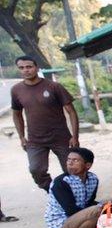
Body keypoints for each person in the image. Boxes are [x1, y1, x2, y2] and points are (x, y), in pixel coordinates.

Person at [11, 55, 80, 192]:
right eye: (22, 68)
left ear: (36, 68)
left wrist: (75, 136)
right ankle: (54, 192)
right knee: (36, 169)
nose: (26, 70)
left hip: (60, 137)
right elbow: (17, 114)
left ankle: (77, 196)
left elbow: (71, 112)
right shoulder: (16, 90)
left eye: (29, 67)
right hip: (35, 140)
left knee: (73, 170)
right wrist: (21, 137)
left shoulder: (54, 86)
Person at [44, 147, 112, 228]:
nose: (70, 163)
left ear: (88, 165)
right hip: (61, 225)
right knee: (99, 209)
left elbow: (89, 202)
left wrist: (103, 207)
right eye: (69, 159)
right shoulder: (61, 182)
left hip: (78, 217)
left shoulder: (93, 179)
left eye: (75, 160)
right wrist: (98, 209)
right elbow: (70, 210)